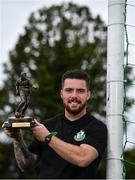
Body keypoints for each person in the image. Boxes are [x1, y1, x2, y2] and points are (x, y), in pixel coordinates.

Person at [4, 70, 107, 179]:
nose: (74, 95)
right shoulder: (48, 125)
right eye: (69, 90)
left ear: (88, 95)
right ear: (61, 94)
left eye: (80, 91)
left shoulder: (97, 127)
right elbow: (27, 164)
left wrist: (48, 137)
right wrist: (17, 138)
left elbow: (83, 158)